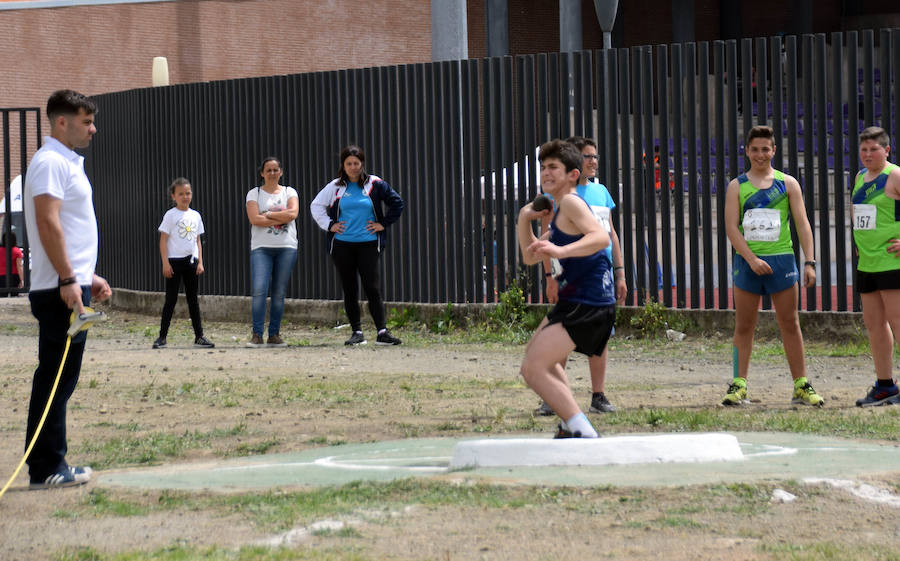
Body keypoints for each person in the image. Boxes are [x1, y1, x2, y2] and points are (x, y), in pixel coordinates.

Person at [22, 89, 112, 488]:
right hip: (59, 290)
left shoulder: (66, 162)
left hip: (70, 284)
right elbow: (47, 223)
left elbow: (68, 230)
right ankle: (45, 468)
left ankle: (53, 461)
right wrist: (66, 278)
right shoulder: (50, 162)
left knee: (62, 377)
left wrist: (85, 275)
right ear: (62, 122)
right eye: (86, 122)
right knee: (56, 377)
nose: (93, 129)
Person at [517, 139, 615, 438]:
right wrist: (524, 219)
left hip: (588, 300)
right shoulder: (560, 211)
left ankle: (581, 429)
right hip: (575, 300)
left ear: (573, 174)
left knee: (534, 369)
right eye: (543, 167)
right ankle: (569, 422)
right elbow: (529, 256)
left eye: (553, 168)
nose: (546, 173)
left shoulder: (571, 203)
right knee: (540, 363)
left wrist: (561, 252)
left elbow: (601, 238)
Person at [722, 125, 823, 407]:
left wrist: (810, 262)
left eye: (765, 149)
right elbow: (731, 228)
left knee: (790, 323)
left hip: (782, 261)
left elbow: (803, 225)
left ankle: (801, 384)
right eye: (755, 149)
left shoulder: (788, 183)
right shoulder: (736, 186)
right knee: (744, 325)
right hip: (747, 263)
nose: (760, 154)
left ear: (774, 150)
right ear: (746, 151)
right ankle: (738, 384)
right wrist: (752, 259)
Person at [535, 136, 626, 417]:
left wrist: (620, 271)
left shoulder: (601, 193)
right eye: (587, 156)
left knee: (600, 336)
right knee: (560, 333)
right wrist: (550, 276)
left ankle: (598, 395)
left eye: (595, 156)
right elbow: (546, 240)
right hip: (570, 275)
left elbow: (610, 235)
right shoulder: (557, 197)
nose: (593, 161)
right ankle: (554, 396)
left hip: (600, 274)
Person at [310, 145, 405, 346]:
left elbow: (397, 203)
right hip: (342, 245)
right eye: (349, 164)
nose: (353, 167)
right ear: (343, 166)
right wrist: (329, 225)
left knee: (372, 287)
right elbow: (316, 206)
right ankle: (357, 332)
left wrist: (383, 224)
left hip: (369, 244)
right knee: (350, 288)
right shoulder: (335, 187)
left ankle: (382, 332)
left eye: (356, 163)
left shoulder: (375, 184)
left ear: (362, 164)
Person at [850, 126, 900, 406]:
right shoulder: (859, 177)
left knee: (898, 322)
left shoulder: (894, 175)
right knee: (874, 325)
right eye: (864, 149)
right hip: (867, 262)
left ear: (887, 150)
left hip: (892, 261)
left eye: (874, 149)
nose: (868, 154)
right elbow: (857, 211)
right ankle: (885, 385)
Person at [152, 177, 213, 349]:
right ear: (173, 196)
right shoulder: (170, 215)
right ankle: (162, 337)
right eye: (181, 194)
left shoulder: (196, 215)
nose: (185, 197)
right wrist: (165, 263)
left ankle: (199, 336)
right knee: (170, 300)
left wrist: (200, 262)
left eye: (187, 193)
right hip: (174, 263)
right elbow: (163, 240)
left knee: (193, 300)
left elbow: (198, 240)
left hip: (191, 262)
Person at [245, 157, 299, 347]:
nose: (272, 173)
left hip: (286, 247)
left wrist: (267, 214)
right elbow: (254, 219)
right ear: (262, 173)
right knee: (259, 290)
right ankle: (257, 334)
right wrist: (280, 218)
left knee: (279, 292)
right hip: (261, 248)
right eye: (268, 170)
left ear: (281, 172)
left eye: (276, 169)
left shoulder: (289, 191)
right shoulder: (254, 194)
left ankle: (274, 334)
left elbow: (293, 214)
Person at [1, 231, 24, 295]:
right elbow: (19, 266)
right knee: (14, 295)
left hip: (1, 276)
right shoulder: (17, 251)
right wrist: (22, 280)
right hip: (13, 277)